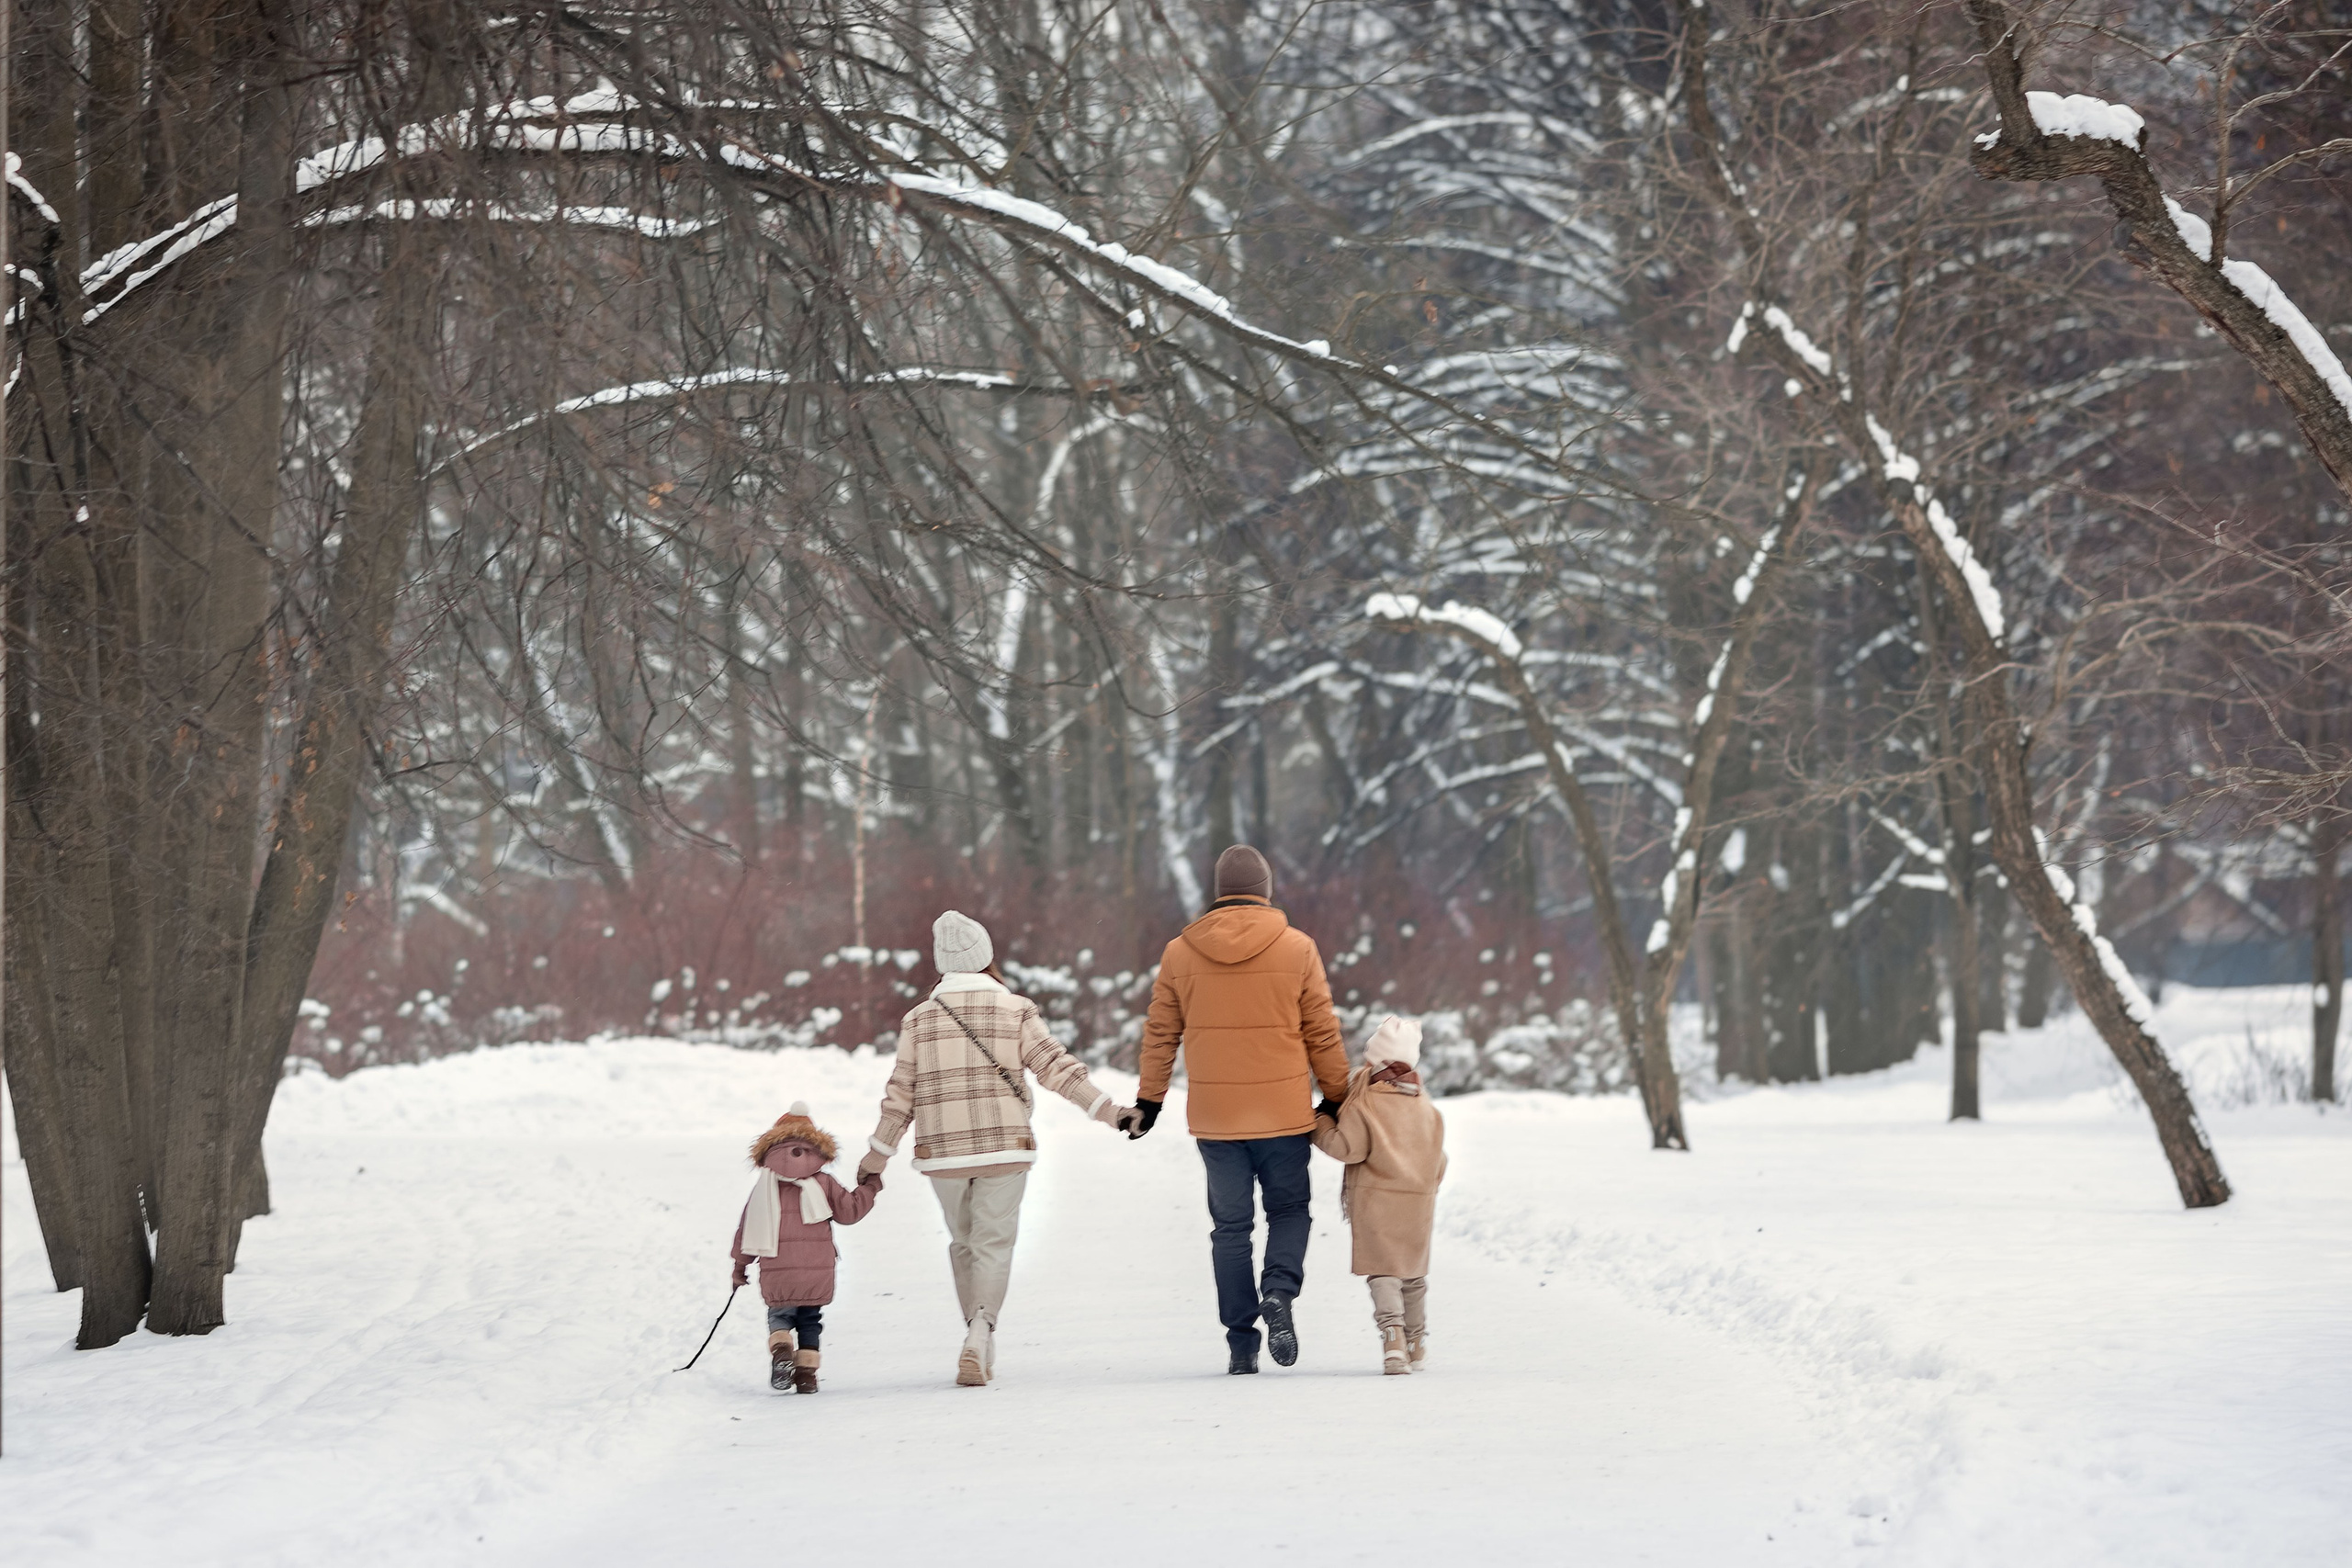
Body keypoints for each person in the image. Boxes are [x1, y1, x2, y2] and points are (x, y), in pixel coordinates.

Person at [861, 909, 1144, 1386]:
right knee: (993, 1243)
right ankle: (980, 1329)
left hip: (944, 1153)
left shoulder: (920, 1020)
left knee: (964, 1242)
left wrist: (878, 1154)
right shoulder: (1014, 1010)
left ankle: (976, 1331)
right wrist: (1108, 1110)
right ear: (986, 956)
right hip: (1004, 1148)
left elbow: (901, 1092)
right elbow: (1056, 1068)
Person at [1133, 844, 1350, 1374]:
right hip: (1283, 1116)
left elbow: (1161, 1034)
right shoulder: (1298, 948)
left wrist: (1150, 1099)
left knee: (1230, 1229)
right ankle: (1278, 1291)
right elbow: (1321, 1029)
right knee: (1289, 1211)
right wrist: (1338, 1093)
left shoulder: (1180, 952)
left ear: (1218, 892)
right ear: (1266, 891)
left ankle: (1240, 1341)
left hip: (1218, 1118)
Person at [1311, 1016, 1446, 1375]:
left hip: (1376, 1199)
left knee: (1384, 1273)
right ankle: (1416, 1345)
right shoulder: (1426, 1107)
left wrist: (1320, 1122)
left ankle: (1393, 1342)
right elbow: (1439, 1159)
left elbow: (1347, 1148)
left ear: (1375, 1061)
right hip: (1418, 1199)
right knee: (1413, 1275)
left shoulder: (1365, 1102)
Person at [729, 1101, 883, 1393]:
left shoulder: (765, 1187)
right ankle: (806, 1376)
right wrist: (870, 1187)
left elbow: (747, 1228)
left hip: (777, 1269)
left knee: (780, 1314)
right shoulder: (823, 1182)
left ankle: (782, 1348)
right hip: (817, 1269)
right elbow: (849, 1212)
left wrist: (739, 1267)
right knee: (810, 1320)